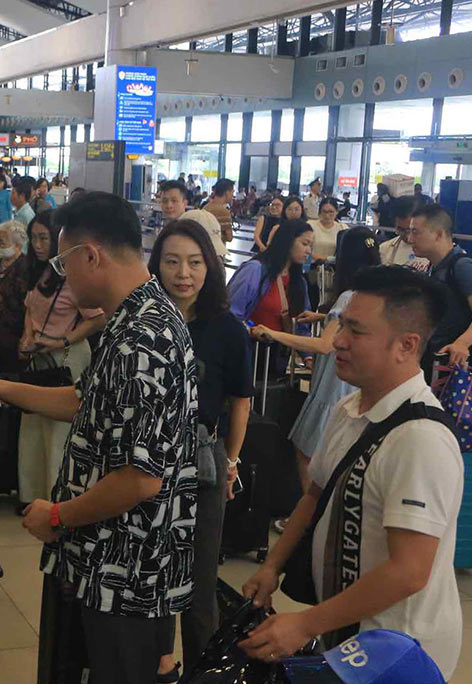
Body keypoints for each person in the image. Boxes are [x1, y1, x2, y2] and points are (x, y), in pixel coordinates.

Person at [0, 192, 198, 684]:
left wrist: (57, 516)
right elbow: (86, 402)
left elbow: (140, 480)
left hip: (126, 572)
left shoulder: (143, 338)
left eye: (64, 261)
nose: (61, 274)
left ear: (91, 255)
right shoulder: (131, 319)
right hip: (102, 563)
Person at [241, 265, 462, 681]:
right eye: (342, 324)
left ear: (406, 345)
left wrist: (306, 624)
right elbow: (314, 496)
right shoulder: (351, 409)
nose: (338, 340)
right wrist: (272, 566)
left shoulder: (419, 439)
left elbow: (409, 571)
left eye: (356, 332)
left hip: (400, 651)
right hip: (348, 634)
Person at [148, 219, 253, 679]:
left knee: (200, 578)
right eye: (171, 262)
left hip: (203, 458)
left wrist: (231, 461)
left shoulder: (227, 328)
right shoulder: (144, 320)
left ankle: (202, 671)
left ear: (209, 266)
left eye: (193, 262)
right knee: (150, 568)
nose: (183, 273)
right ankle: (157, 664)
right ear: (157, 266)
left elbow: (240, 401)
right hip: (146, 457)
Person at [251, 227, 381, 504]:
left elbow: (325, 345)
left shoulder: (349, 297)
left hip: (331, 387)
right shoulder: (379, 291)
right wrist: (324, 316)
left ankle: (308, 520)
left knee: (308, 453)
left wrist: (274, 334)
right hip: (353, 385)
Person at [16, 209, 106, 511]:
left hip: (66, 360)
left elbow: (97, 318)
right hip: (38, 358)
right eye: (34, 238)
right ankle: (31, 496)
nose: (38, 244)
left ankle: (56, 499)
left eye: (44, 238)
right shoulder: (39, 271)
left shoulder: (72, 276)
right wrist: (27, 337)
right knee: (31, 432)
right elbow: (30, 308)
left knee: (57, 434)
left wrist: (62, 340)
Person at [228, 219, 314, 363]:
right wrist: (251, 329)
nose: (308, 250)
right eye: (304, 244)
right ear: (288, 241)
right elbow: (231, 315)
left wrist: (308, 357)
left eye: (310, 245)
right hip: (248, 356)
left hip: (278, 360)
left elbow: (301, 326)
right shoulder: (255, 270)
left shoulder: (299, 282)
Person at [409, 203, 472, 374]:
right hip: (432, 362)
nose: (410, 239)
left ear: (438, 234)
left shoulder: (461, 267)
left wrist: (462, 343)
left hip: (453, 368)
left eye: (415, 232)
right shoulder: (432, 268)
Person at [0, 221, 30, 373]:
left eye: (2, 242)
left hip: (12, 331)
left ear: (18, 245)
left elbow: (24, 304)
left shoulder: (25, 267)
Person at [378, 196, 427, 271]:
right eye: (400, 229)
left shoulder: (436, 251)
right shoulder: (385, 250)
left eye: (411, 230)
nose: (408, 237)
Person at [204, 178, 235, 252]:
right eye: (232, 192)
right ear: (227, 192)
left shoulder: (206, 207)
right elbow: (229, 237)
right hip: (217, 251)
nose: (232, 195)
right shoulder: (224, 212)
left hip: (205, 249)